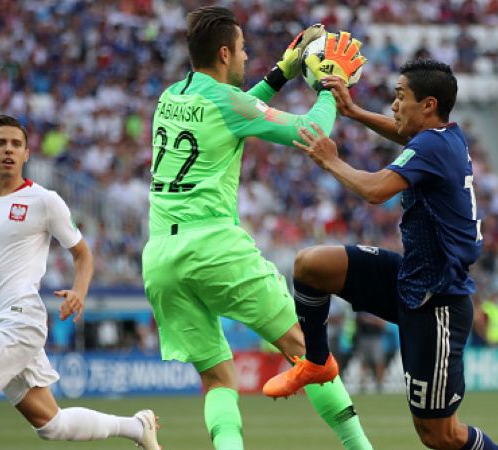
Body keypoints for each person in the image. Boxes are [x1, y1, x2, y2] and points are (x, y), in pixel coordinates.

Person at [142, 6, 371, 450]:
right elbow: (308, 131)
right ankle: (361, 448)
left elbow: (239, 111)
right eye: (244, 50)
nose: (247, 59)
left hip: (160, 256)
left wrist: (281, 74)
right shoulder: (230, 103)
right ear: (225, 53)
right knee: (308, 350)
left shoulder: (170, 97)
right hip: (212, 246)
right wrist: (329, 87)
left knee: (217, 377)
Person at [266, 60, 498, 449]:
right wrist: (353, 112)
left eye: (399, 97)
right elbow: (401, 134)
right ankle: (316, 362)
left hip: (438, 301)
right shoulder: (445, 138)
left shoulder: (431, 145)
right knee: (311, 266)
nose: (393, 106)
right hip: (410, 279)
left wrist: (331, 160)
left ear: (428, 105)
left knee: (441, 435)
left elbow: (376, 190)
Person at [0, 114, 159, 450]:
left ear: (27, 154)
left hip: (20, 321)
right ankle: (137, 427)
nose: (8, 150)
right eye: (1, 143)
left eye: (16, 144)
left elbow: (83, 254)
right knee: (52, 425)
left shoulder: (44, 200)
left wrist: (80, 291)